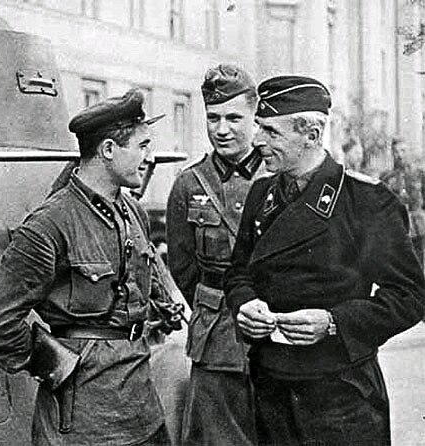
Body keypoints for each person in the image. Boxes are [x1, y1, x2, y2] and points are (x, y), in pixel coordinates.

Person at [224, 75, 425, 446]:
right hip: (271, 386)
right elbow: (238, 272)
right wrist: (244, 303)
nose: (257, 141)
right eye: (259, 127)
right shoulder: (261, 193)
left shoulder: (367, 201)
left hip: (341, 396)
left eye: (270, 131)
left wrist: (334, 322)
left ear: (312, 135)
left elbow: (410, 296)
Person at [0, 89, 175, 446]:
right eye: (142, 145)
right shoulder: (49, 225)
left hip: (142, 410)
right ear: (108, 150)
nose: (150, 156)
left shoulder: (133, 213)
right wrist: (56, 365)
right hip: (82, 421)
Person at [166, 63, 260, 446]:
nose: (222, 129)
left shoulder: (278, 178)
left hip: (273, 332)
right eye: (213, 118)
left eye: (234, 118)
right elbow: (183, 266)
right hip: (216, 340)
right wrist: (212, 307)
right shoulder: (189, 185)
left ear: (255, 117)